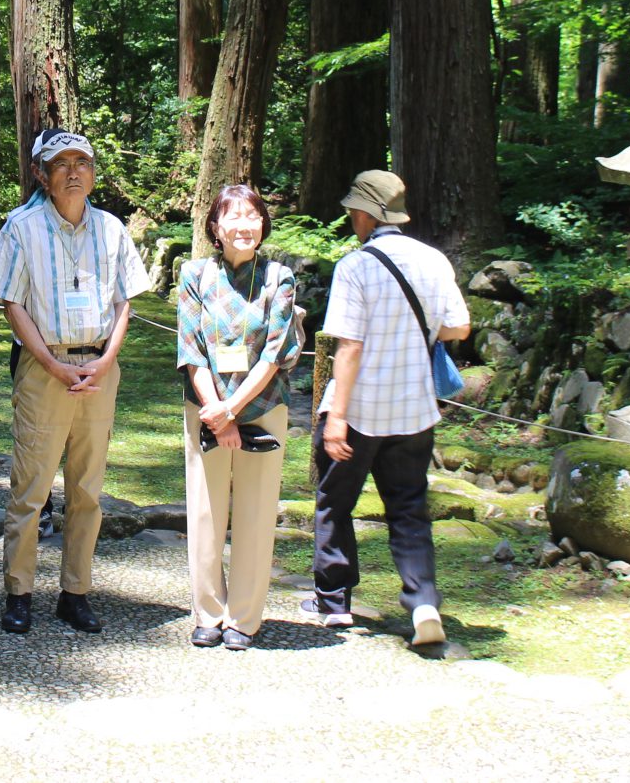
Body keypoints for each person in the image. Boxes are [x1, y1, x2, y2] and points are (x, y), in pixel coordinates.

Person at [0, 127, 152, 636]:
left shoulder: (112, 229)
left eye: (83, 162)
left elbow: (126, 301)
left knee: (88, 489)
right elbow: (13, 304)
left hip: (100, 369)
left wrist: (106, 359)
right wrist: (53, 365)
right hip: (45, 368)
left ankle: (76, 592)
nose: (74, 171)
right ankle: (20, 591)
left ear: (94, 173)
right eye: (62, 164)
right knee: (31, 488)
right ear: (43, 174)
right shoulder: (21, 228)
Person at [304, 169, 472, 651]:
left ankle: (334, 603)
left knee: (335, 503)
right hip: (415, 409)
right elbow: (459, 327)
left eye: (353, 210)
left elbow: (349, 347)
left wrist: (336, 416)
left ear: (366, 214)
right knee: (408, 510)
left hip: (359, 412)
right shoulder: (433, 260)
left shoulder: (356, 267)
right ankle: (423, 603)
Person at [176, 184, 301, 650]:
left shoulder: (278, 278)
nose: (244, 224)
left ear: (263, 224)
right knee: (206, 512)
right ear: (215, 227)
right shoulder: (194, 275)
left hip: (263, 407)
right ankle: (208, 611)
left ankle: (244, 619)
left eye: (253, 215)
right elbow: (191, 349)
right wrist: (217, 413)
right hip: (205, 407)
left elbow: (273, 355)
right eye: (233, 216)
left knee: (255, 512)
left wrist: (233, 409)